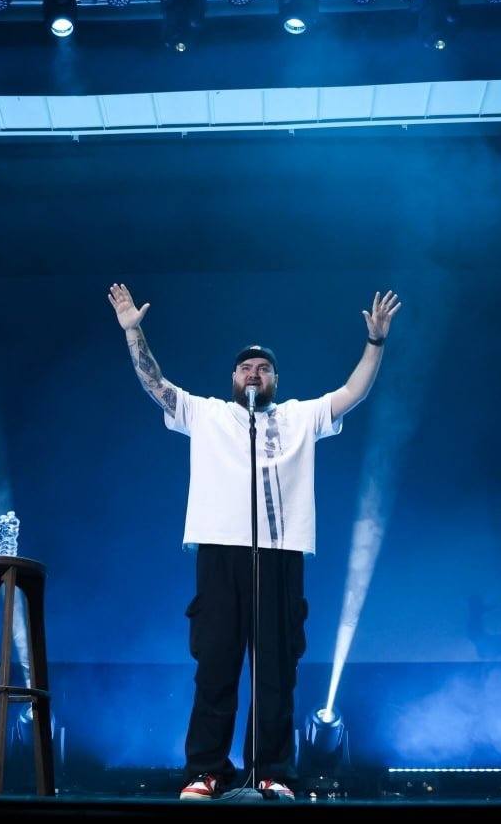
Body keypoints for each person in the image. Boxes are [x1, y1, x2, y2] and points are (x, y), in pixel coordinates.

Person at [107, 283, 401, 801]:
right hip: (220, 551)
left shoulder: (299, 416)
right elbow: (156, 385)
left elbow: (353, 392)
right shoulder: (206, 414)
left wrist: (375, 342)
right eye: (245, 367)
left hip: (281, 554)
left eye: (263, 368)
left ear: (275, 380)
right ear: (233, 378)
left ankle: (271, 771)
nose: (254, 373)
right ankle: (206, 771)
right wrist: (134, 333)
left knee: (276, 671)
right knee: (216, 665)